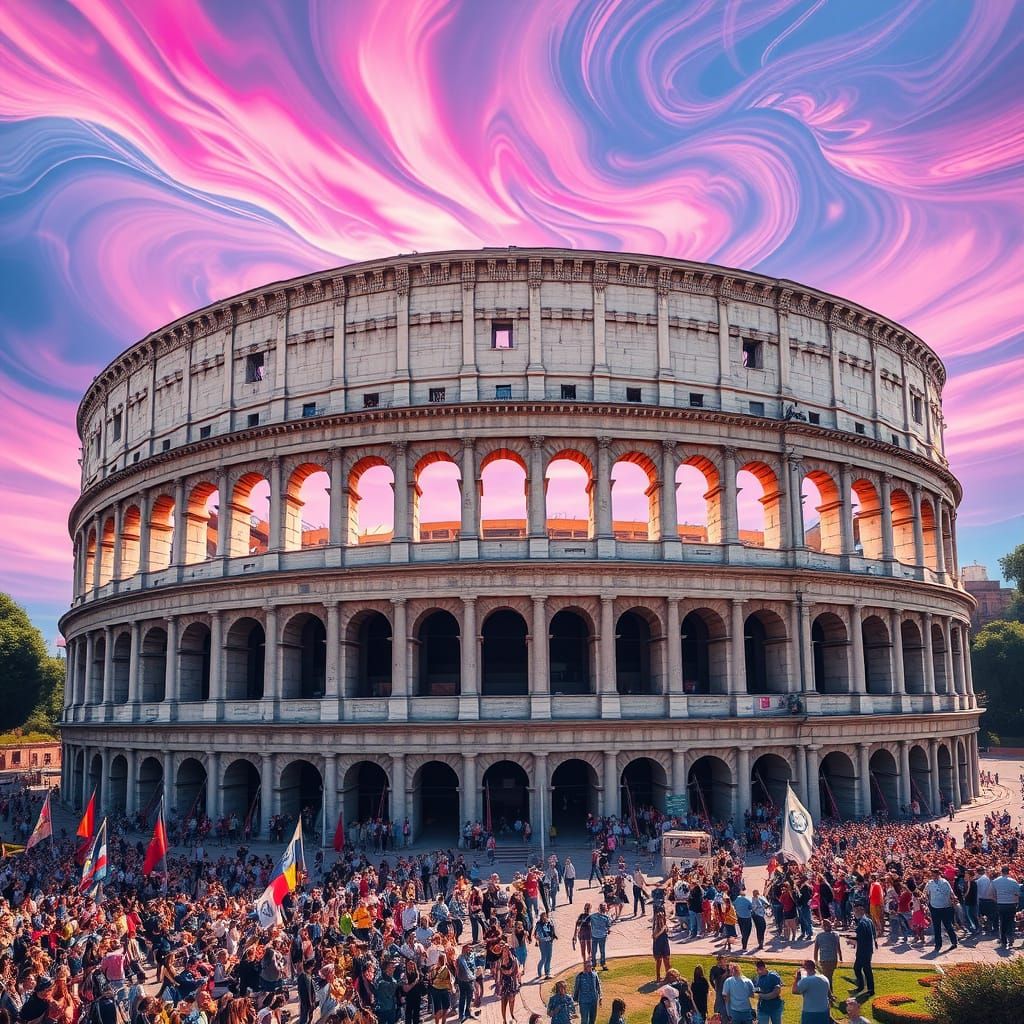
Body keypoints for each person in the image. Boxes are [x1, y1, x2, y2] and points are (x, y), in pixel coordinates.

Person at [924, 867, 958, 952]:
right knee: (936, 927)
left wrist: (953, 898)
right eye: (932, 875)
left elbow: (951, 892)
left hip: (945, 907)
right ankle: (938, 944)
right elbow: (926, 893)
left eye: (935, 875)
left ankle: (954, 942)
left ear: (939, 874)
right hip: (934, 907)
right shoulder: (929, 883)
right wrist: (924, 897)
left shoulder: (945, 882)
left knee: (948, 925)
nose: (934, 876)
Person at [848, 904, 876, 998]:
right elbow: (873, 934)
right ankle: (865, 987)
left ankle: (867, 988)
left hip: (863, 950)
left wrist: (851, 941)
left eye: (856, 911)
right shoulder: (868, 921)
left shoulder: (862, 923)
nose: (854, 913)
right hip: (868, 949)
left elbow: (860, 938)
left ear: (861, 911)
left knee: (862, 969)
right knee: (861, 968)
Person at [991, 865, 1021, 950]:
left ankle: (1003, 940)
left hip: (1001, 904)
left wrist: (997, 900)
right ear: (1009, 872)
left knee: (1002, 922)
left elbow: (992, 894)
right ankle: (1011, 937)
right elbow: (1017, 894)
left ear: (1001, 871)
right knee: (1011, 921)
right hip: (1011, 904)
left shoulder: (995, 881)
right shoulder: (1014, 882)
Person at [812, 918, 842, 999]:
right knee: (828, 978)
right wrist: (841, 958)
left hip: (824, 960)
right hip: (833, 959)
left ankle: (828, 994)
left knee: (827, 978)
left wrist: (815, 960)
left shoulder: (819, 936)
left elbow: (816, 949)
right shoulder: (836, 935)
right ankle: (829, 994)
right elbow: (838, 948)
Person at [752, 959, 783, 1024]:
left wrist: (762, 995)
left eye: (758, 969)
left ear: (763, 968)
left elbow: (776, 992)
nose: (757, 971)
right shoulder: (756, 979)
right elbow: (754, 992)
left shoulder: (773, 976)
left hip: (775, 1007)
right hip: (762, 1008)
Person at [496, 948, 521, 1024]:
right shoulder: (499, 961)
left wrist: (518, 982)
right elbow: (498, 973)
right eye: (504, 951)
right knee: (503, 1001)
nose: (505, 952)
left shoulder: (513, 960)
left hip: (511, 981)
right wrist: (498, 984)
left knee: (512, 1000)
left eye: (506, 950)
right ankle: (504, 1020)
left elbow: (517, 972)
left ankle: (512, 1015)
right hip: (503, 982)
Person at [456, 944, 476, 1023]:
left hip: (470, 980)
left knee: (470, 997)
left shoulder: (470, 956)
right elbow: (462, 969)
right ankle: (461, 1015)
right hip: (463, 980)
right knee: (462, 997)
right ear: (464, 949)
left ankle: (468, 1012)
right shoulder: (460, 958)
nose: (470, 949)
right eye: (468, 948)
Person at [589, 905, 613, 970]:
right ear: (605, 910)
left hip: (594, 935)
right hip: (602, 936)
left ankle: (593, 965)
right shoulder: (606, 917)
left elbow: (587, 923)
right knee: (602, 951)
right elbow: (608, 926)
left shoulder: (592, 916)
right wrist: (608, 930)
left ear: (599, 909)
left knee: (594, 951)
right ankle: (603, 964)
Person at [536, 913, 558, 980]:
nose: (545, 918)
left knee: (549, 957)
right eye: (543, 916)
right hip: (543, 943)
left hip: (549, 942)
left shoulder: (549, 922)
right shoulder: (539, 925)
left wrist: (553, 936)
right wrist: (547, 938)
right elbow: (540, 935)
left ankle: (547, 973)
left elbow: (552, 930)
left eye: (545, 916)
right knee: (544, 958)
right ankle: (539, 972)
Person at [651, 910, 671, 983]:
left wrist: (665, 928)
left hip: (665, 944)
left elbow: (667, 931)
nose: (661, 919)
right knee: (659, 961)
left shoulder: (664, 925)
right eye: (659, 918)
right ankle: (658, 977)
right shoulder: (656, 926)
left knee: (667, 961)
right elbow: (654, 936)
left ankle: (668, 976)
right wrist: (662, 929)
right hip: (658, 945)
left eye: (662, 917)